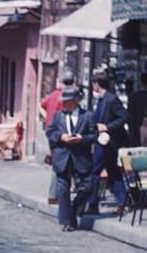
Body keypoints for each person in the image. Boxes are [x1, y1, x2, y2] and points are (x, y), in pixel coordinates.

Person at [46, 86, 97, 231]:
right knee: (62, 189)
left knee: (87, 186)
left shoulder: (87, 116)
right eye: (63, 101)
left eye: (67, 101)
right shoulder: (58, 116)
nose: (64, 104)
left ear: (75, 101)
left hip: (81, 157)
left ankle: (74, 210)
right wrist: (61, 137)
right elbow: (50, 132)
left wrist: (82, 138)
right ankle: (66, 221)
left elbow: (94, 136)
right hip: (62, 156)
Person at [87, 71, 128, 215]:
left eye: (93, 84)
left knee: (96, 172)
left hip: (108, 141)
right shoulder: (100, 99)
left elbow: (124, 117)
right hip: (102, 140)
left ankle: (93, 204)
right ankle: (122, 202)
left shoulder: (111, 99)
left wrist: (107, 127)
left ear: (97, 85)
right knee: (113, 171)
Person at [40, 69, 76, 203]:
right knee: (61, 163)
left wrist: (46, 118)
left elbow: (42, 105)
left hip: (51, 131)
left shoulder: (53, 94)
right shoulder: (66, 97)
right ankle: (54, 194)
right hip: (61, 132)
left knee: (59, 162)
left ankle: (58, 192)